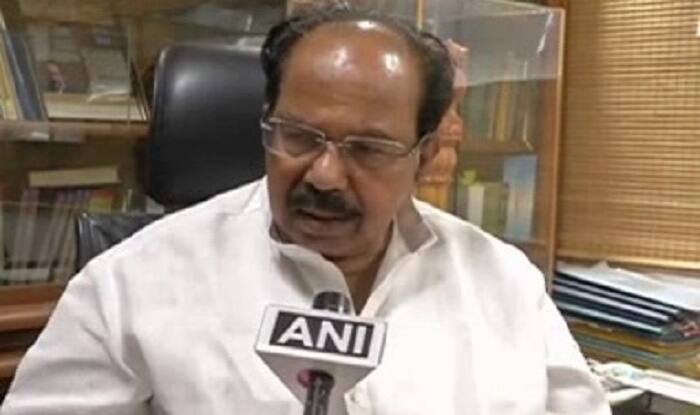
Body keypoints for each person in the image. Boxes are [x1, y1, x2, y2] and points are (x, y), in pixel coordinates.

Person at [1, 5, 611, 415]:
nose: (323, 175)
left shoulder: (503, 282)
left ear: (424, 157)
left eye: (368, 148)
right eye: (297, 137)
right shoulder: (131, 283)